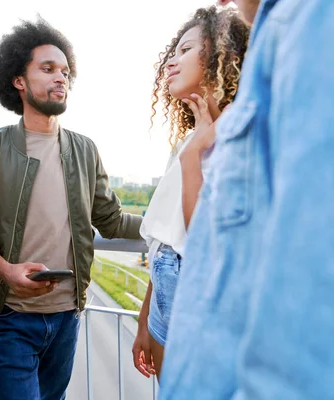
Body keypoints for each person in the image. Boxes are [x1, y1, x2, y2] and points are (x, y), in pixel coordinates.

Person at [160, 0, 334, 398]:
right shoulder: (282, 32)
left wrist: (192, 161)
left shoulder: (309, 22)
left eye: (186, 50)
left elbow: (305, 307)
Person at [0, 17, 143, 400]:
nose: (60, 78)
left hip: (67, 317)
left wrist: (171, 225)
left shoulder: (85, 149)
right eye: (47, 69)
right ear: (19, 80)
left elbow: (110, 220)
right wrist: (8, 271)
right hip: (9, 318)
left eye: (65, 71)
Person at [131, 6, 249, 380]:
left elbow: (202, 242)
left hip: (198, 291)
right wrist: (145, 320)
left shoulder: (240, 132)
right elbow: (165, 239)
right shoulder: (189, 141)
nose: (170, 62)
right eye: (173, 51)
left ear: (221, 56)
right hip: (167, 286)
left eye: (185, 50)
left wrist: (195, 156)